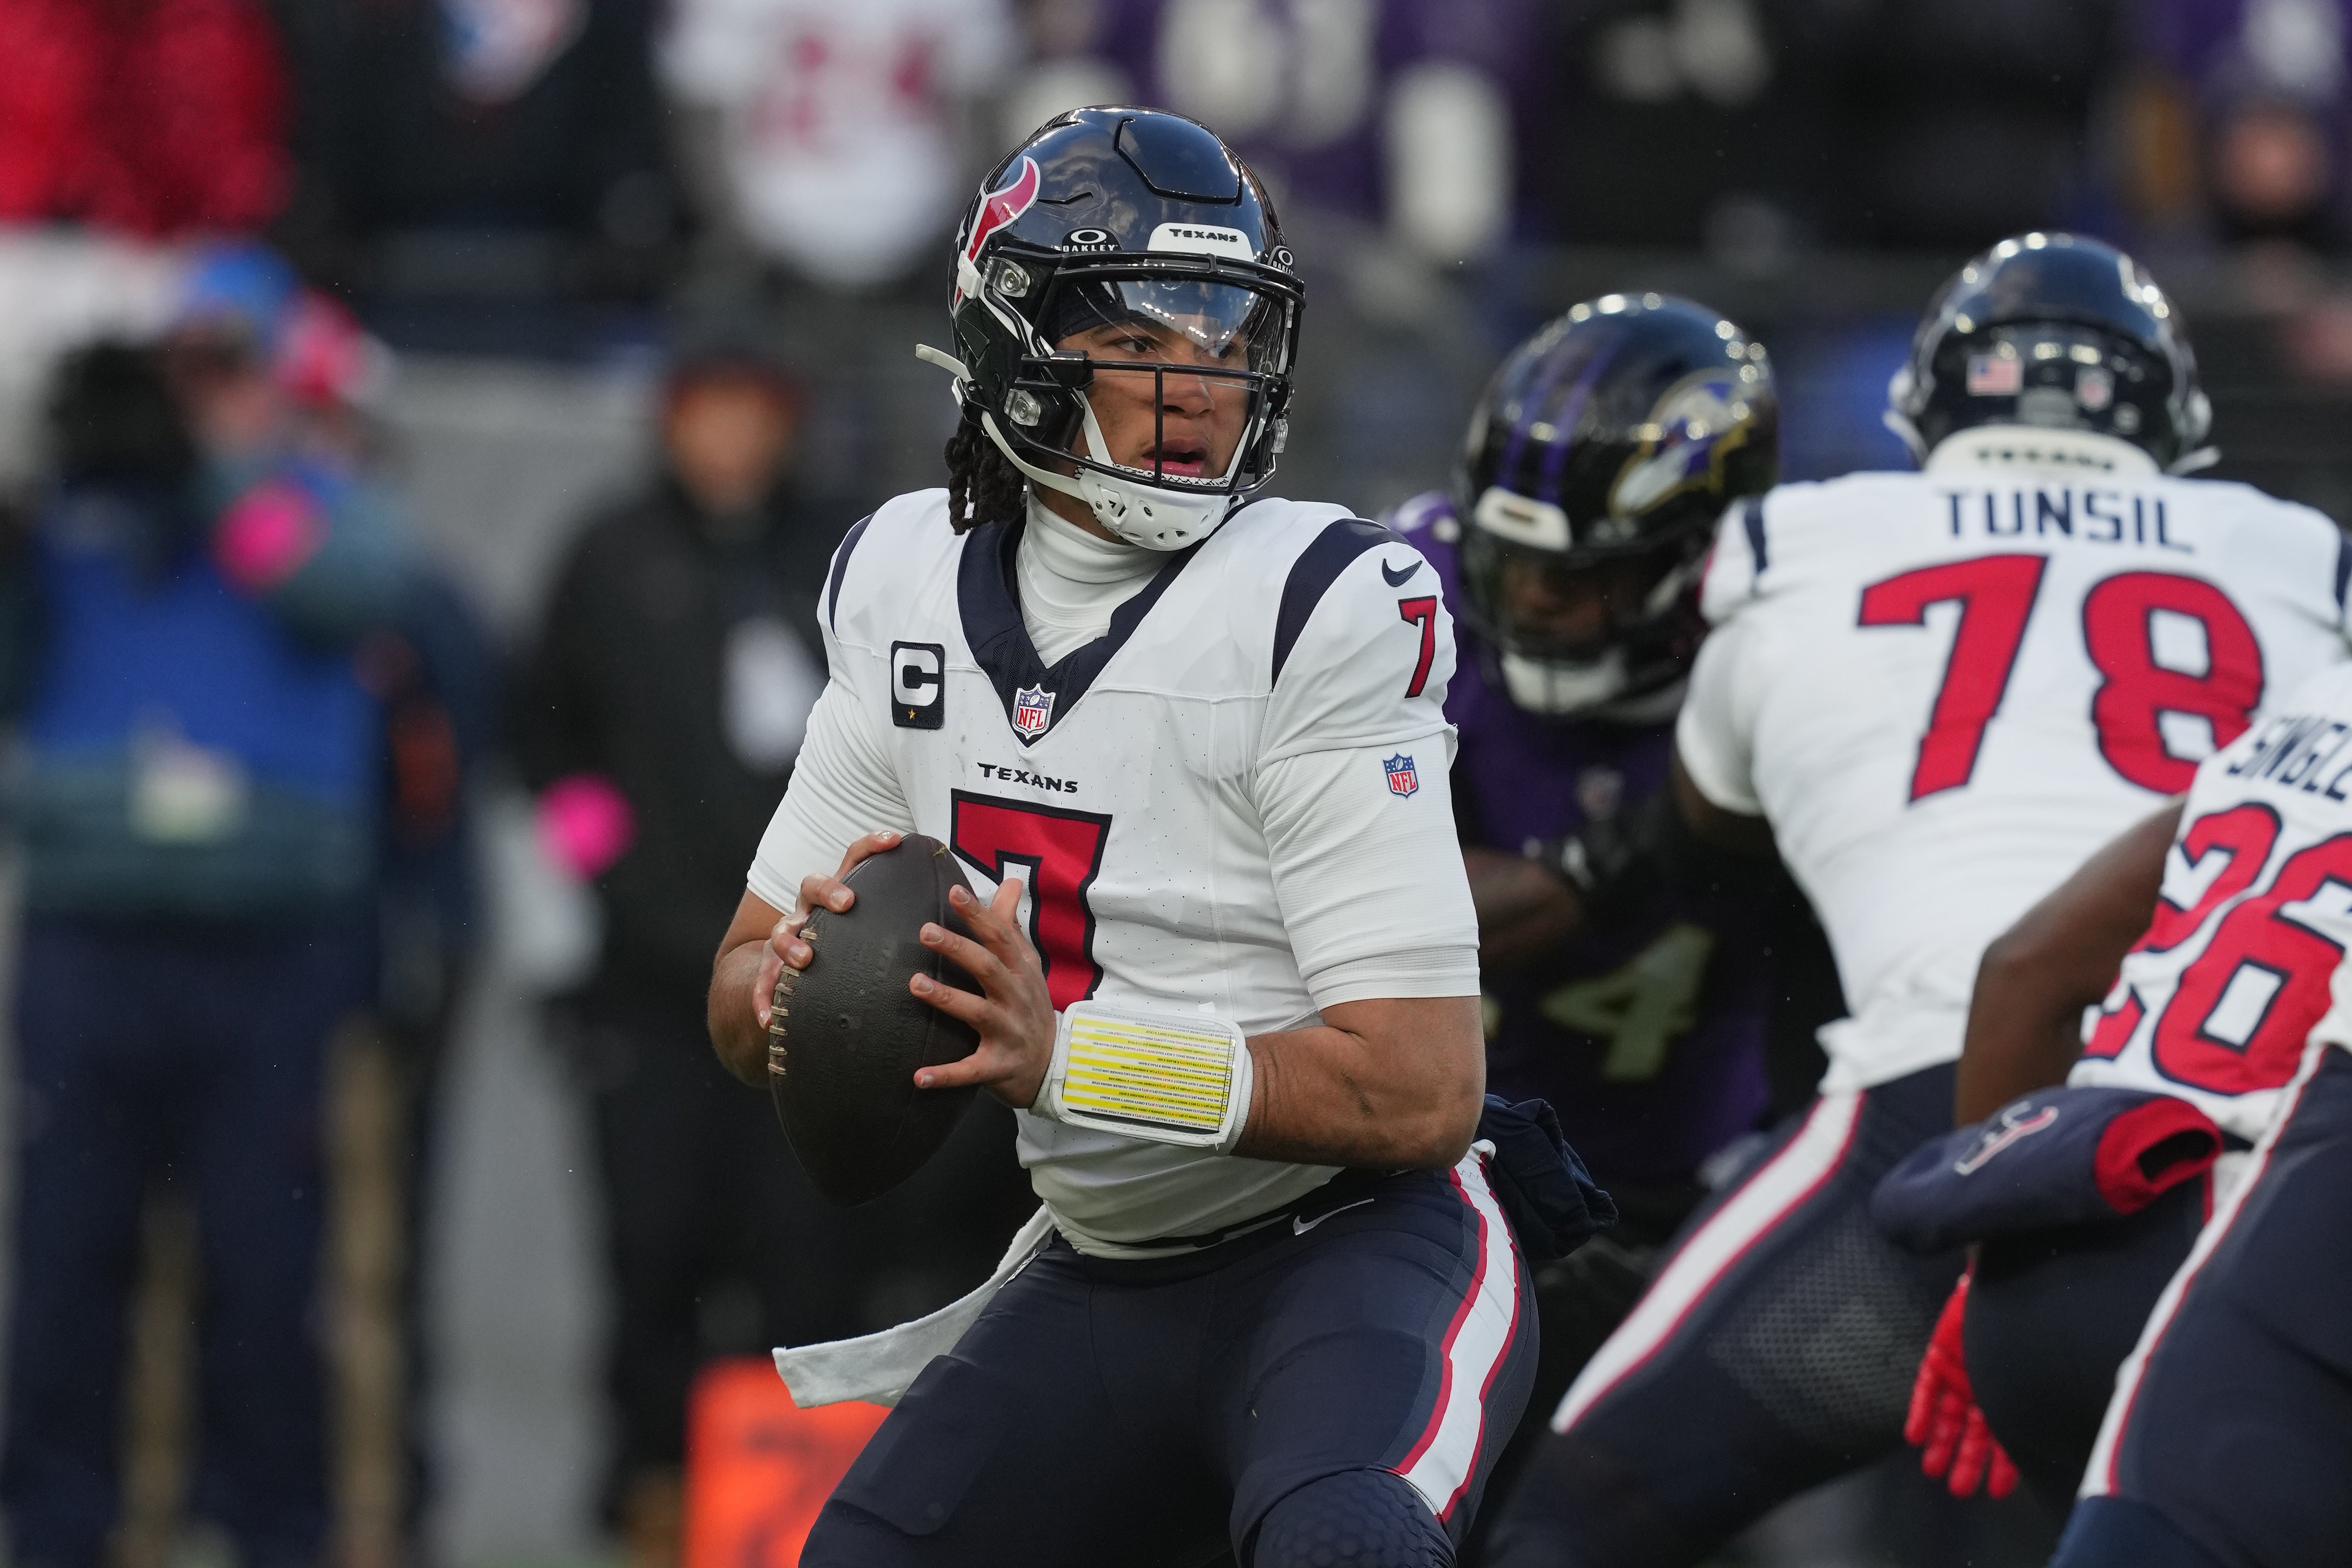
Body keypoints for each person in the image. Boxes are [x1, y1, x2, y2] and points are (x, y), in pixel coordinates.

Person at [706, 107, 1606, 1566]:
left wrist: (1065, 1057)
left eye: (1223, 341)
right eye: (1143, 342)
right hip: (1104, 1262)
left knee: (1345, 1554)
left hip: (1356, 1248)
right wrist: (801, 986)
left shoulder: (1317, 599)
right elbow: (741, 989)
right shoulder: (902, 580)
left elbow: (1420, 1092)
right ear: (1013, 341)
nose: (1195, 387)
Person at [1484, 231, 2352, 1567]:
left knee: (1567, 1524)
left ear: (1931, 408)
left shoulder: (1800, 543)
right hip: (2235, 1126)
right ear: (2169, 421)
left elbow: (1706, 848)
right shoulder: (2299, 558)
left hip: (1930, 1114)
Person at [1383, 295, 1831, 1559]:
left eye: (1579, 579)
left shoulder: (1791, 645)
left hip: (1692, 1204)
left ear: (1694, 565)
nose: (1531, 603)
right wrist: (1614, 862)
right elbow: (1328, 890)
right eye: (1510, 565)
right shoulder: (1398, 603)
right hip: (1425, 1189)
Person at [0, 261, 416, 1567]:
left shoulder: (313, 511)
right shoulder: (82, 521)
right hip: (93, 942)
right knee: (69, 1270)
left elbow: (351, 592)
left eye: (223, 366)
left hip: (268, 956)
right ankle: (58, 1531)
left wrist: (227, 462)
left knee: (264, 1280)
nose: (189, 397)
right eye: (179, 368)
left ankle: (275, 1535)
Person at [517, 317, 901, 1559]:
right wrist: (604, 860)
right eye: (707, 410)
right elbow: (541, 735)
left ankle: (799, 1511)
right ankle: (649, 1493)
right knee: (652, 1245)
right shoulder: (609, 555)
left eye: (753, 411)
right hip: (651, 986)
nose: (730, 440)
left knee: (808, 1256)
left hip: (820, 992)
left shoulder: (847, 561)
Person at [2039, 687, 2352, 1567]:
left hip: (2065, 1232)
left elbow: (2024, 963)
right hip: (2252, 1213)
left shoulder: (2310, 697)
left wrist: (1974, 1264)